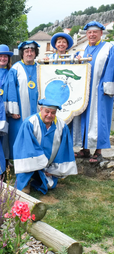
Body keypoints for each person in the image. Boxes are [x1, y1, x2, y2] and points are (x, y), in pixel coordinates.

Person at [13, 99, 77, 194]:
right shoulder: (30, 123)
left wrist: (54, 169)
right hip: (30, 160)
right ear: (41, 109)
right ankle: (26, 182)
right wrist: (41, 163)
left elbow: (63, 150)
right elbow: (25, 149)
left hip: (49, 165)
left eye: (53, 113)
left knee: (49, 185)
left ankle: (42, 176)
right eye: (47, 111)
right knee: (24, 186)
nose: (49, 115)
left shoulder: (62, 126)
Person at [72, 21, 114, 163]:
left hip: (100, 91)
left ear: (101, 33)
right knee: (83, 118)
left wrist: (107, 87)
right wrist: (76, 61)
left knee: (99, 120)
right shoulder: (83, 50)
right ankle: (85, 149)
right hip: (84, 91)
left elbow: (111, 68)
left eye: (95, 32)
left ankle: (98, 151)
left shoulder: (109, 48)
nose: (92, 35)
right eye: (89, 32)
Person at [4, 40, 40, 158]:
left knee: (37, 134)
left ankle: (36, 160)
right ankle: (18, 162)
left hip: (38, 109)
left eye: (32, 51)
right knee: (19, 135)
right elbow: (11, 90)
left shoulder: (40, 68)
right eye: (26, 51)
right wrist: (13, 110)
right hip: (20, 110)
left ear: (35, 53)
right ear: (22, 53)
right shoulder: (16, 68)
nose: (29, 53)